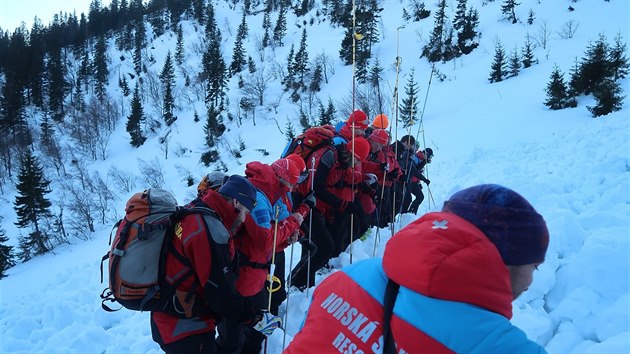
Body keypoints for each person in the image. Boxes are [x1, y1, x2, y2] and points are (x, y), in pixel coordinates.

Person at [284, 184, 550, 354]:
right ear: (505, 261)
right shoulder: (501, 345)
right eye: (534, 266)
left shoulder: (349, 276)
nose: (531, 281)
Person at [150, 175, 259, 354]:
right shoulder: (210, 229)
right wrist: (251, 315)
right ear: (236, 202)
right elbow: (220, 293)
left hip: (169, 316)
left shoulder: (197, 209)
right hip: (185, 329)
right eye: (246, 211)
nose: (244, 218)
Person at [218, 157, 315, 354]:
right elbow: (264, 240)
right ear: (280, 179)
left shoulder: (269, 193)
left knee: (259, 327)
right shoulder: (258, 197)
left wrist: (286, 240)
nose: (289, 190)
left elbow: (267, 242)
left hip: (254, 276)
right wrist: (295, 221)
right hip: (241, 277)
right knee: (233, 336)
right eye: (288, 185)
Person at [400, 147, 434, 214]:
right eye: (430, 156)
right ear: (425, 154)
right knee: (408, 199)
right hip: (409, 181)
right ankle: (403, 214)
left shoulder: (422, 159)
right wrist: (424, 163)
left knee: (420, 196)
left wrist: (419, 183)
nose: (430, 158)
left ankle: (411, 213)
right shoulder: (415, 157)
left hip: (414, 182)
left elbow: (419, 172)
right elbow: (414, 171)